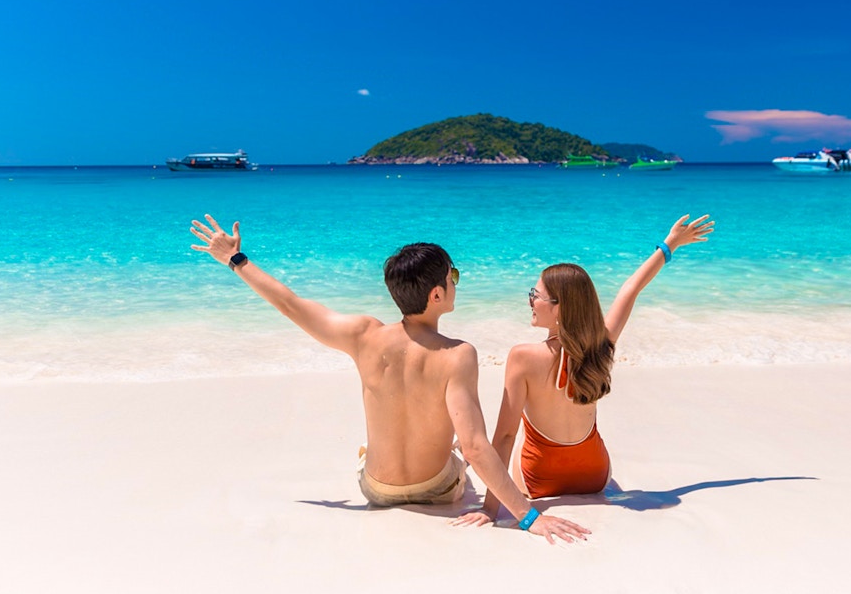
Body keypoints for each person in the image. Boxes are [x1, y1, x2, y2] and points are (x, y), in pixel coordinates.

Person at [189, 214, 589, 543]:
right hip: (438, 488)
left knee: (387, 444)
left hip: (376, 489)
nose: (455, 284)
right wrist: (527, 517)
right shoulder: (457, 354)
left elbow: (290, 304)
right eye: (454, 277)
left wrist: (236, 260)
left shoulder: (363, 336)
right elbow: (475, 448)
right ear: (436, 295)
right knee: (455, 446)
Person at [453, 214, 714, 526]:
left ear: (559, 307)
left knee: (510, 442)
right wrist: (669, 245)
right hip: (594, 474)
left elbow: (506, 436)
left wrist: (491, 510)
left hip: (539, 479)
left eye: (535, 296)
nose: (530, 301)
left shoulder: (523, 357)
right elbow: (631, 289)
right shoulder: (600, 345)